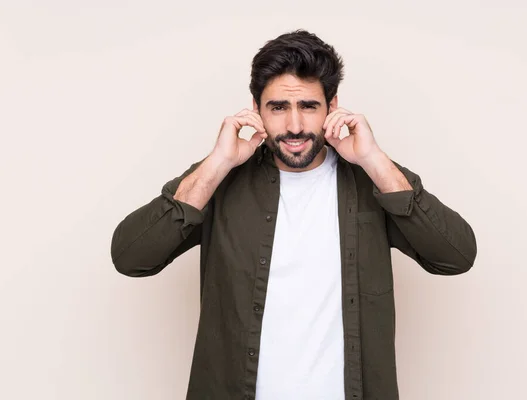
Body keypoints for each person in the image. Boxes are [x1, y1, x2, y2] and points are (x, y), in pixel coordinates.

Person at [111, 29, 477, 400]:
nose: (295, 126)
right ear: (256, 110)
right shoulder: (220, 178)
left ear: (332, 107)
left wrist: (373, 159)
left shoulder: (371, 177)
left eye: (309, 106)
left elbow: (455, 256)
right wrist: (218, 162)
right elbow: (132, 258)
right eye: (279, 108)